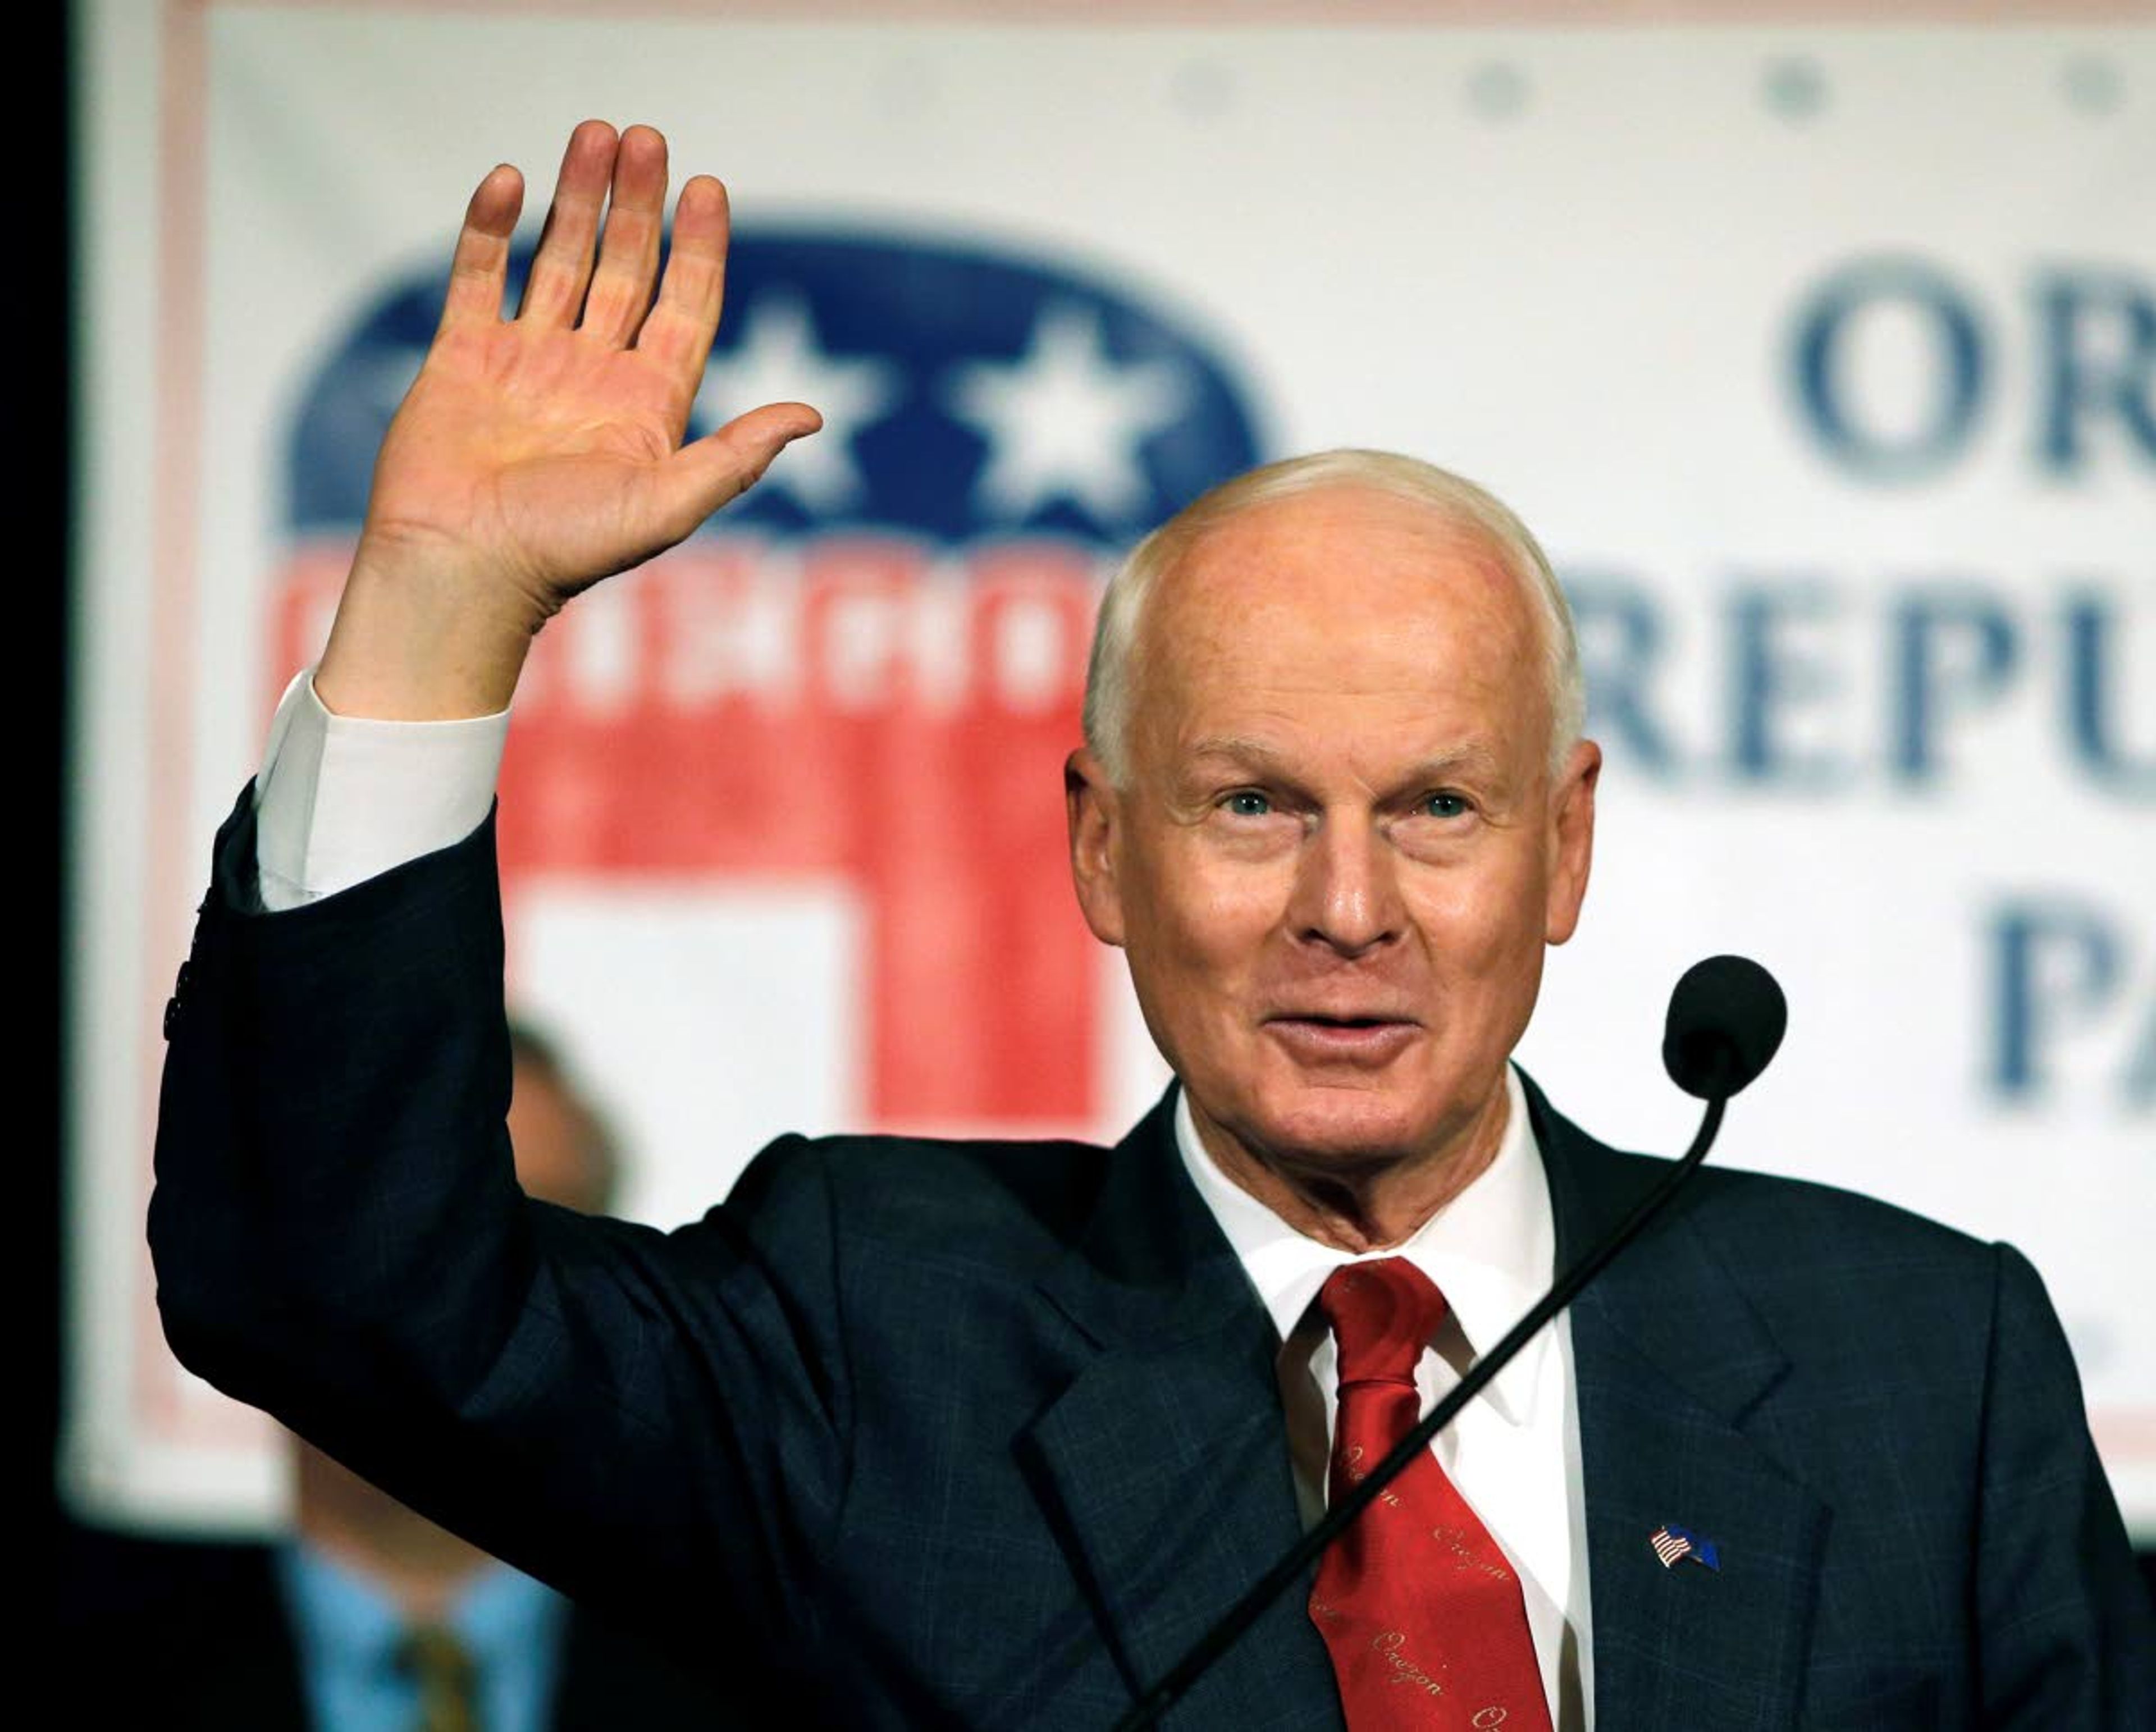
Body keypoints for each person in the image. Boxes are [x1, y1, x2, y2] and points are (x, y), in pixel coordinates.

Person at [150, 120, 2153, 1729]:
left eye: (1436, 808)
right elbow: (338, 1298)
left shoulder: (1913, 1361)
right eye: (1252, 803)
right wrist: (433, 611)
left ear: (1566, 848)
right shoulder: (881, 1331)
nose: (1345, 909)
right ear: (1102, 850)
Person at [72, 1027, 745, 1728]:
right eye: (396, 1221)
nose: (459, 1297)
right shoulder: (100, 1676)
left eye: (538, 1229)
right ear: (272, 1284)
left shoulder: (776, 1695)